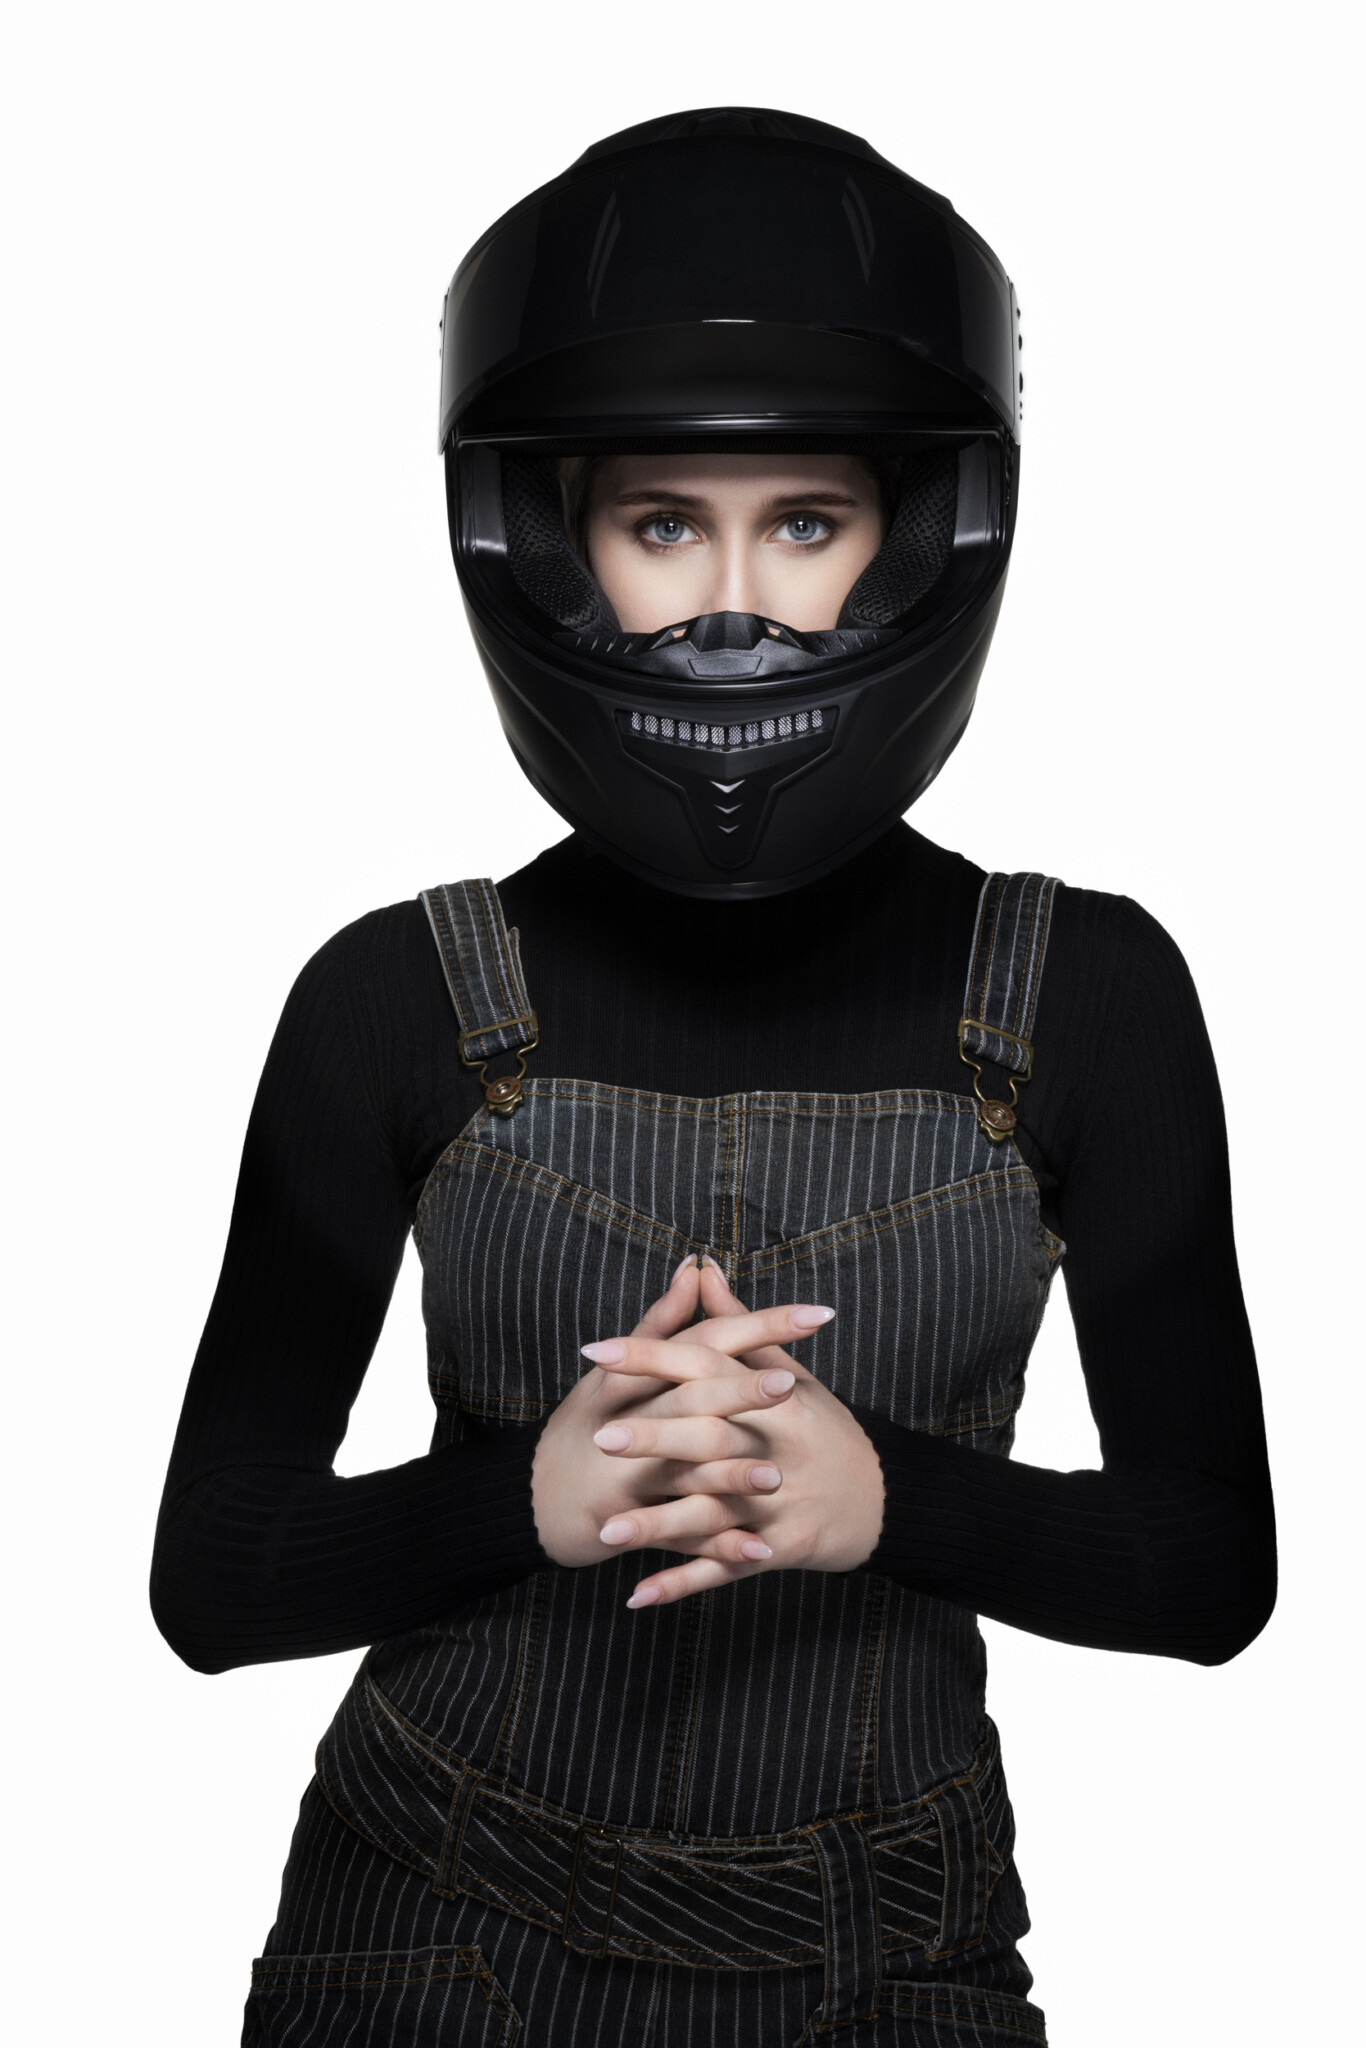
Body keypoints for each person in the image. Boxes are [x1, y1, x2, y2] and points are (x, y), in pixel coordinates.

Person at [151, 108, 1275, 2046]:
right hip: (431, 1921)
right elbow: (215, 1580)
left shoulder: (1089, 992)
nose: (734, 598)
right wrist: (531, 1494)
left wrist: (878, 1495)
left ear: (911, 539)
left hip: (886, 1953)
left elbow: (1207, 1571)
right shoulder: (388, 997)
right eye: (663, 523)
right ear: (558, 542)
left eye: (805, 524)